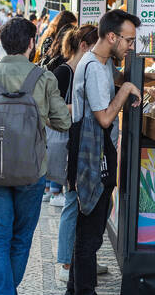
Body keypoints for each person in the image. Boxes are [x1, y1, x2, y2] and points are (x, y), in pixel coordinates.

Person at [67, 9, 155, 294]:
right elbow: (104, 117)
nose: (130, 46)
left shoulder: (102, 62)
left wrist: (154, 76)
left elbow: (117, 77)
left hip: (98, 154)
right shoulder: (93, 66)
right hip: (91, 157)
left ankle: (73, 290)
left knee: (88, 231)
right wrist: (127, 88)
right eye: (128, 40)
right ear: (112, 36)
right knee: (89, 236)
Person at [0, 17, 71, 295]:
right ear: (31, 43)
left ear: (2, 44)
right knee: (21, 238)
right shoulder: (44, 77)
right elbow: (63, 122)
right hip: (31, 171)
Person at [50, 24, 104, 282]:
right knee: (72, 201)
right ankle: (65, 264)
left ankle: (80, 260)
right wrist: (84, 106)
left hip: (79, 142)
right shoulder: (64, 71)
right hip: (68, 144)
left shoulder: (85, 70)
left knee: (79, 202)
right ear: (84, 45)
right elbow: (53, 108)